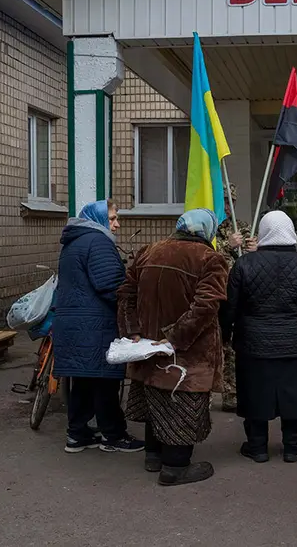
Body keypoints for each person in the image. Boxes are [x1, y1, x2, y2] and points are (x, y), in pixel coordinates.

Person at [116, 208, 229, 486]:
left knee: (155, 397)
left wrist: (133, 330)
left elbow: (126, 294)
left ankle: (153, 456)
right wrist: (175, 338)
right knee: (182, 404)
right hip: (187, 352)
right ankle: (175, 467)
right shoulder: (209, 258)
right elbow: (205, 307)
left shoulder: (149, 251)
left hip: (146, 346)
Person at [220, 210, 297, 464]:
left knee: (255, 395)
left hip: (254, 344)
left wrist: (224, 334)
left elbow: (230, 307)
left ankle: (257, 447)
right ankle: (293, 446)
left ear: (264, 233)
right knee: (296, 396)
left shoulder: (244, 265)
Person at [53, 200, 143, 454]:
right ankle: (113, 435)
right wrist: (133, 313)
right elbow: (112, 285)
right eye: (112, 218)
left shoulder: (75, 241)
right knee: (105, 382)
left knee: (83, 381)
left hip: (74, 323)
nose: (117, 224)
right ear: (98, 219)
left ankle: (77, 434)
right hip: (95, 326)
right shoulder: (99, 242)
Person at [214, 183, 256, 412]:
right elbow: (204, 256)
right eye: (224, 202)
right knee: (211, 347)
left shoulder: (241, 227)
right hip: (213, 296)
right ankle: (203, 395)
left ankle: (231, 395)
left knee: (231, 348)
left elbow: (254, 259)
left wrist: (254, 249)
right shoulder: (206, 227)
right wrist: (226, 245)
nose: (228, 207)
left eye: (231, 202)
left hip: (236, 297)